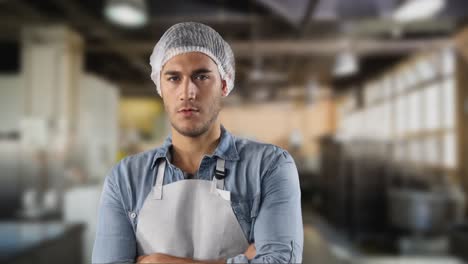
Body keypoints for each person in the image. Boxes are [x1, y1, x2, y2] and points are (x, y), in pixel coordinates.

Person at [92, 22, 303, 264]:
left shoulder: (269, 166)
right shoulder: (125, 179)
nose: (187, 92)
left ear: (224, 84)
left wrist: (161, 262)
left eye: (201, 76)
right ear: (159, 86)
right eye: (173, 78)